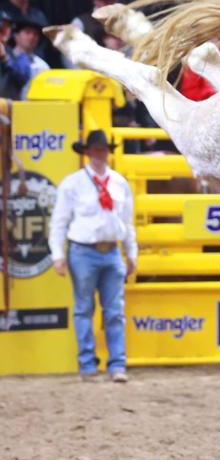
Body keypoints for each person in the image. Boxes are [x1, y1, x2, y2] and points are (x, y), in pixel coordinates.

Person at [49, 130, 137, 383]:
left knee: (114, 311)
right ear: (87, 153)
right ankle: (88, 365)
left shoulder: (119, 183)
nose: (100, 154)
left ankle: (117, 364)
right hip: (83, 251)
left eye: (103, 149)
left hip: (111, 251)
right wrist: (58, 254)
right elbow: (60, 221)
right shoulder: (72, 184)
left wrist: (131, 252)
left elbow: (127, 221)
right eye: (96, 150)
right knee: (85, 308)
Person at [8, 19, 49, 98]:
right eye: (27, 32)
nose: (32, 37)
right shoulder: (6, 59)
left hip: (33, 107)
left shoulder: (43, 66)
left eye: (35, 34)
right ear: (16, 35)